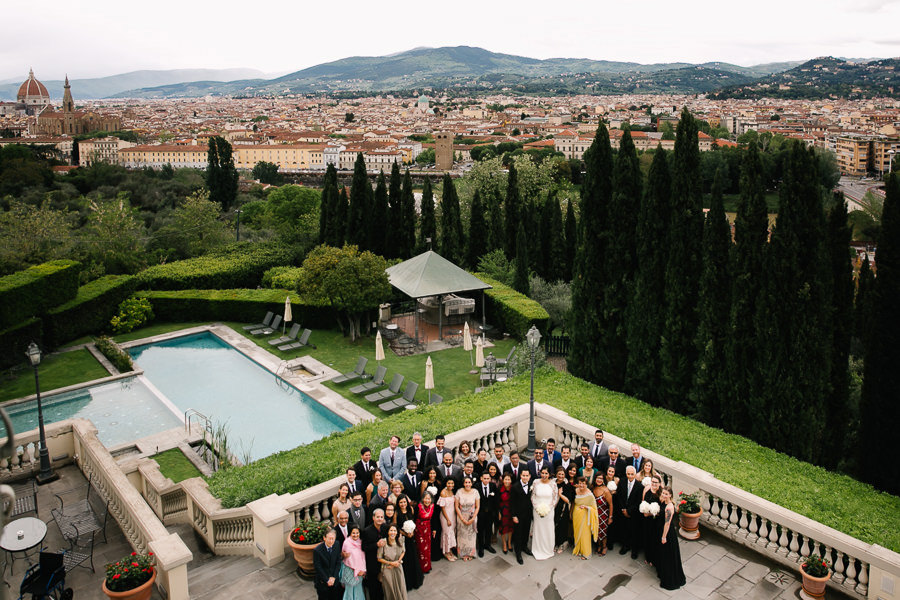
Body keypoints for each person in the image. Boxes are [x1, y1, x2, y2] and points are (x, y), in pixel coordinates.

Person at [656, 487, 686, 590]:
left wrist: (664, 537)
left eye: (666, 494)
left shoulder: (669, 508)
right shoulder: (663, 502)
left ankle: (670, 580)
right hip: (661, 530)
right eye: (663, 493)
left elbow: (667, 524)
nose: (664, 495)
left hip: (667, 534)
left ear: (670, 495)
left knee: (668, 556)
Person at [530, 466, 558, 560]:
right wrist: (537, 507)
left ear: (549, 474)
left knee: (548, 529)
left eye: (546, 473)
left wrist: (549, 508)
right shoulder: (535, 482)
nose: (544, 475)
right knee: (538, 529)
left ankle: (548, 548)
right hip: (537, 510)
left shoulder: (553, 484)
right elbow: (533, 496)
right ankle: (537, 548)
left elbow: (555, 498)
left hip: (549, 511)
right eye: (543, 473)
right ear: (540, 473)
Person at [396, 495, 423, 591]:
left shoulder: (410, 509)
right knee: (406, 558)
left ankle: (415, 579)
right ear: (398, 503)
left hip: (411, 537)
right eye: (401, 502)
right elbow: (396, 527)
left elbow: (413, 521)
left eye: (404, 502)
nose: (403, 504)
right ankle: (408, 582)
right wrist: (405, 533)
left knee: (413, 556)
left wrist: (412, 531)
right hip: (403, 538)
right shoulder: (397, 513)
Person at [617, 465, 643, 559]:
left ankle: (634, 550)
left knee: (634, 531)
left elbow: (638, 502)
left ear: (635, 474)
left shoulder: (639, 486)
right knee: (624, 529)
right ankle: (625, 546)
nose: (630, 476)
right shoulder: (622, 481)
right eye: (628, 474)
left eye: (632, 474)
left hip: (633, 513)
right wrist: (623, 509)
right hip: (623, 511)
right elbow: (619, 496)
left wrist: (629, 511)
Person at [377, 524, 407, 600]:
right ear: (388, 532)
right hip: (387, 568)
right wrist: (391, 563)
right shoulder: (383, 542)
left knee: (400, 586)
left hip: (398, 566)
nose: (393, 533)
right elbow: (379, 558)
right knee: (390, 589)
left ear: (397, 532)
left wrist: (398, 561)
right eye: (391, 530)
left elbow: (403, 551)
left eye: (394, 531)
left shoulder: (400, 540)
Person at [362, 509, 387, 600]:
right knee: (373, 586)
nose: (379, 519)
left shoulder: (385, 527)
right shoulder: (367, 531)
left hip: (383, 561)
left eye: (381, 517)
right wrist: (376, 545)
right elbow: (364, 547)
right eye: (377, 517)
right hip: (372, 562)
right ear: (373, 518)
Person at [571, 476, 598, 559]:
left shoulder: (590, 495)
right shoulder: (576, 491)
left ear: (586, 485)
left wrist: (587, 507)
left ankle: (586, 553)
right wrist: (571, 513)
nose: (581, 485)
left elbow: (594, 508)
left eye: (583, 484)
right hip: (576, 515)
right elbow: (573, 503)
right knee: (577, 532)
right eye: (580, 483)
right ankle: (579, 549)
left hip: (585, 516)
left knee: (585, 534)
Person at [511, 470, 533, 564]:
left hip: (528, 513)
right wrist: (514, 515)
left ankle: (525, 547)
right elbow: (512, 502)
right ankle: (518, 552)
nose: (525, 477)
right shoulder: (515, 487)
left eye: (526, 475)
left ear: (529, 476)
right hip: (518, 515)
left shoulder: (531, 484)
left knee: (526, 531)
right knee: (518, 534)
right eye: (523, 475)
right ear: (520, 476)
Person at [455, 476, 479, 561]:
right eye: (466, 482)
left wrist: (473, 519)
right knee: (462, 536)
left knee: (471, 537)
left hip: (472, 517)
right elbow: (456, 506)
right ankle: (462, 554)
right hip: (461, 517)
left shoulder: (475, 492)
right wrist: (462, 518)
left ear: (472, 483)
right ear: (463, 483)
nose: (467, 484)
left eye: (469, 482)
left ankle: (470, 553)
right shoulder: (459, 492)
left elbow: (477, 506)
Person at [314, 528, 342, 600]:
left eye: (333, 539)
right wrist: (327, 580)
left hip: (334, 580)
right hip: (323, 582)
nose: (331, 541)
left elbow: (338, 562)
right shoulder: (317, 550)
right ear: (324, 538)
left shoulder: (337, 544)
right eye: (329, 539)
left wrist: (334, 577)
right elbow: (318, 567)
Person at [340, 525, 366, 600]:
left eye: (357, 533)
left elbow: (362, 557)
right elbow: (347, 558)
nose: (355, 535)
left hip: (360, 571)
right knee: (349, 590)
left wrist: (362, 570)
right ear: (350, 533)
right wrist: (356, 569)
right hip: (349, 570)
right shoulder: (347, 543)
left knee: (358, 589)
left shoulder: (360, 542)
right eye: (353, 533)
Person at [642, 474, 662, 566]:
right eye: (652, 482)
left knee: (655, 539)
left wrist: (650, 513)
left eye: (656, 482)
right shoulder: (648, 492)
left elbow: (661, 511)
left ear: (659, 483)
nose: (654, 484)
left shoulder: (661, 494)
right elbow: (644, 503)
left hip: (656, 521)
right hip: (647, 521)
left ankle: (653, 558)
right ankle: (648, 556)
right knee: (647, 538)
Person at [475, 471, 497, 556]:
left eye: (488, 478)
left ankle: (488, 545)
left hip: (490, 513)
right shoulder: (477, 486)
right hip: (480, 512)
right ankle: (481, 547)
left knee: (489, 529)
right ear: (481, 478)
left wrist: (495, 511)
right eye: (485, 478)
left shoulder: (493, 486)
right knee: (480, 530)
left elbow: (495, 499)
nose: (486, 480)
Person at [592, 473, 614, 556]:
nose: (599, 480)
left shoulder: (606, 490)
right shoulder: (593, 488)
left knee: (603, 531)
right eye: (597, 478)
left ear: (603, 480)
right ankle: (599, 545)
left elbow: (611, 504)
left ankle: (604, 547)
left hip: (604, 514)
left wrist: (610, 517)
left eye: (601, 478)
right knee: (597, 530)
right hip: (595, 513)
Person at [554, 467, 574, 554]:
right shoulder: (553, 483)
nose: (561, 476)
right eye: (559, 474)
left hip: (563, 509)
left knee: (562, 527)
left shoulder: (567, 485)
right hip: (554, 509)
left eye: (562, 474)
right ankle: (555, 543)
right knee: (555, 527)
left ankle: (561, 544)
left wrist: (560, 494)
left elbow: (568, 500)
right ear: (556, 475)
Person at [437, 477, 458, 561]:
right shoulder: (443, 492)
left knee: (451, 532)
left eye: (452, 483)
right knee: (447, 533)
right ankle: (446, 552)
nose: (451, 485)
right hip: (446, 516)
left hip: (452, 514)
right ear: (446, 483)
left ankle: (450, 551)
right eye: (449, 483)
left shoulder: (452, 491)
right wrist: (448, 519)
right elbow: (442, 508)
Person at [416, 491, 435, 574]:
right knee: (421, 549)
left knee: (428, 548)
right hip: (420, 529)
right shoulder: (419, 507)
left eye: (429, 498)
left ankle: (427, 566)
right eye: (426, 498)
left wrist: (434, 529)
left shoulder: (432, 506)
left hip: (428, 529)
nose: (427, 500)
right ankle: (422, 568)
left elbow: (433, 519)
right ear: (423, 499)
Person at [497, 472, 515, 554]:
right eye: (505, 479)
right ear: (503, 480)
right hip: (503, 511)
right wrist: (499, 512)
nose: (507, 481)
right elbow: (497, 502)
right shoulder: (500, 489)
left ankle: (509, 542)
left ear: (511, 480)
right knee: (503, 528)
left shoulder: (513, 488)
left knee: (511, 528)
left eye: (509, 479)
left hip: (511, 511)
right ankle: (504, 543)